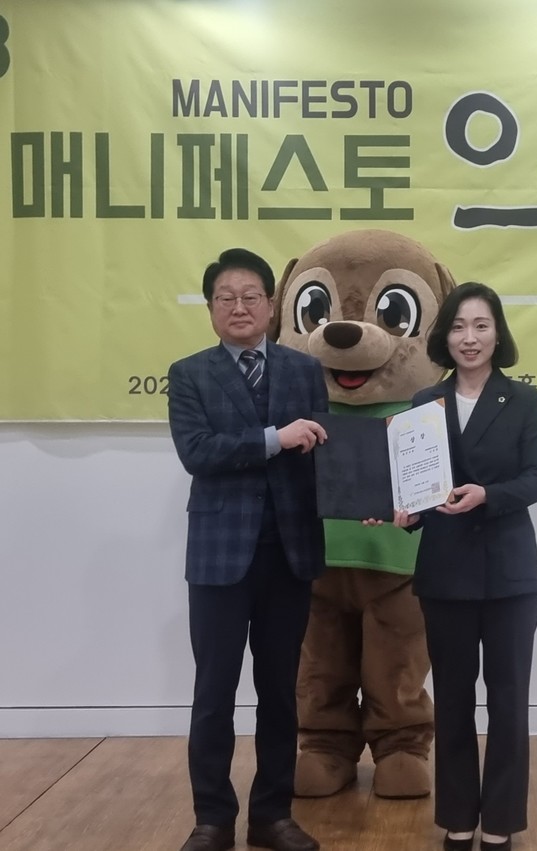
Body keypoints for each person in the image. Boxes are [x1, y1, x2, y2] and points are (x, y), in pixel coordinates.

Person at [368, 282, 537, 851]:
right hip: (446, 573)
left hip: (509, 575)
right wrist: (405, 514)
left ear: (498, 333)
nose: (469, 338)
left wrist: (488, 495)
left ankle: (499, 823)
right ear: (444, 336)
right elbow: (420, 491)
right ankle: (457, 819)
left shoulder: (522, 400)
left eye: (480, 325)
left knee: (508, 702)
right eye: (458, 326)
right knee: (450, 700)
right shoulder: (425, 404)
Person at [168, 248, 328, 851]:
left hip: (290, 553)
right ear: (211, 308)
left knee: (281, 693)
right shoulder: (190, 373)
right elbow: (197, 452)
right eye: (226, 297)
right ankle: (212, 818)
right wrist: (273, 438)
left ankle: (272, 815)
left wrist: (361, 496)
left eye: (250, 296)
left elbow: (325, 455)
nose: (239, 307)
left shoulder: (304, 370)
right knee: (213, 694)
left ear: (271, 304)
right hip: (219, 556)